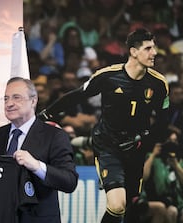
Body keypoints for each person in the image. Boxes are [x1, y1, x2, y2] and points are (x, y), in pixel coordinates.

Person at [41, 28, 170, 222]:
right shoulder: (108, 76)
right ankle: (84, 142)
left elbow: (163, 123)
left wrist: (143, 139)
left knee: (131, 204)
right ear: (133, 52)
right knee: (117, 205)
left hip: (136, 150)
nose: (154, 53)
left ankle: (83, 141)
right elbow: (76, 95)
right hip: (108, 147)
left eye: (154, 48)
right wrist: (45, 114)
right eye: (148, 48)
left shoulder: (159, 84)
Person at [0, 77, 78, 223]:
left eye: (16, 98)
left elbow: (69, 181)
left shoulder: (54, 135)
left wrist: (37, 166)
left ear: (33, 101)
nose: (9, 104)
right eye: (6, 99)